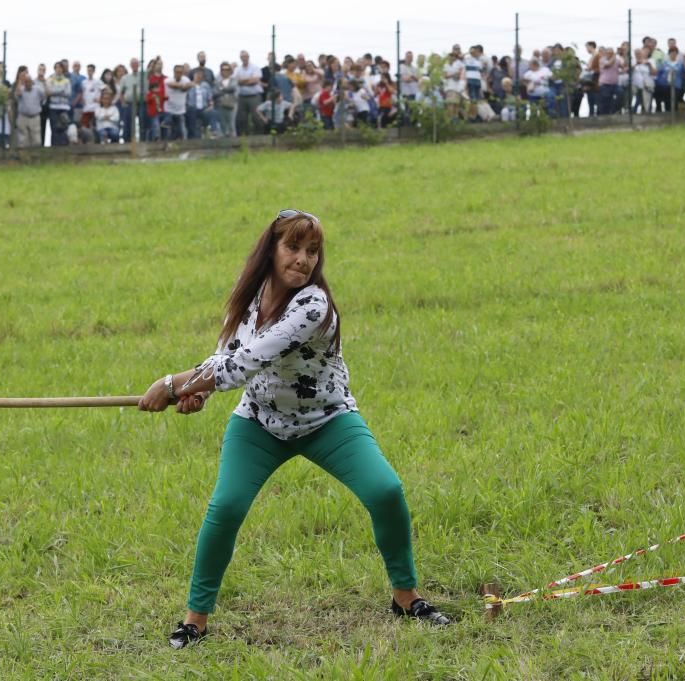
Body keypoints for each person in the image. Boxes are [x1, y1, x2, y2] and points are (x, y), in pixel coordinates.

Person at [138, 210, 451, 650]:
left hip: (326, 420)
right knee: (226, 508)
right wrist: (198, 393)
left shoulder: (313, 305)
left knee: (386, 491)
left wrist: (171, 384)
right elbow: (227, 355)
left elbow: (251, 359)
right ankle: (195, 621)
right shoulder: (250, 296)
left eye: (312, 251)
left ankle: (406, 597)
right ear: (272, 249)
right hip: (260, 423)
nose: (303, 259)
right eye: (293, 247)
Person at [234, 50, 264, 136]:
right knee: (241, 119)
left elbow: (255, 81)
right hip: (242, 97)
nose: (244, 58)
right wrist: (249, 79)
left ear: (248, 57)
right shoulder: (237, 69)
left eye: (245, 56)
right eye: (242, 57)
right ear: (240, 58)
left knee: (257, 117)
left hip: (254, 96)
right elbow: (236, 81)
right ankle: (243, 137)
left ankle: (259, 136)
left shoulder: (255, 67)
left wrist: (242, 81)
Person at [15, 73, 46, 147]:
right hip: (23, 117)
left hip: (35, 117)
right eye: (25, 81)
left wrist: (44, 82)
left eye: (29, 81)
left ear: (32, 82)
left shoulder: (38, 89)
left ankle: (36, 156)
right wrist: (20, 80)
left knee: (36, 140)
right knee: (23, 141)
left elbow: (46, 95)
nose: (27, 83)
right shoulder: (21, 89)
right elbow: (17, 94)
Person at [163, 64, 191, 140]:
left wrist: (182, 86)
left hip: (181, 110)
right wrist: (182, 86)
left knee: (182, 130)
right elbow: (171, 85)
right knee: (169, 131)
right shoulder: (168, 80)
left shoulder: (186, 79)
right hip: (169, 110)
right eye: (177, 72)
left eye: (180, 72)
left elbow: (188, 86)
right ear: (174, 72)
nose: (178, 74)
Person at [119, 57, 142, 143]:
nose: (135, 65)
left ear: (139, 65)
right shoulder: (125, 78)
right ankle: (127, 142)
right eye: (133, 64)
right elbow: (121, 92)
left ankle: (141, 141)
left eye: (136, 64)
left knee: (142, 123)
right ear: (130, 66)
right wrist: (123, 103)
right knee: (127, 124)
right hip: (129, 104)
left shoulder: (143, 76)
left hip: (141, 104)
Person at [213, 62, 237, 138]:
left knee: (231, 123)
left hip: (232, 103)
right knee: (222, 124)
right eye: (223, 69)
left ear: (230, 71)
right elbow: (215, 93)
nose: (225, 71)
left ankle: (234, 141)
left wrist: (222, 89)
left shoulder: (233, 79)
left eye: (227, 69)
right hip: (220, 104)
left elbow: (233, 88)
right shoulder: (217, 81)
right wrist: (225, 90)